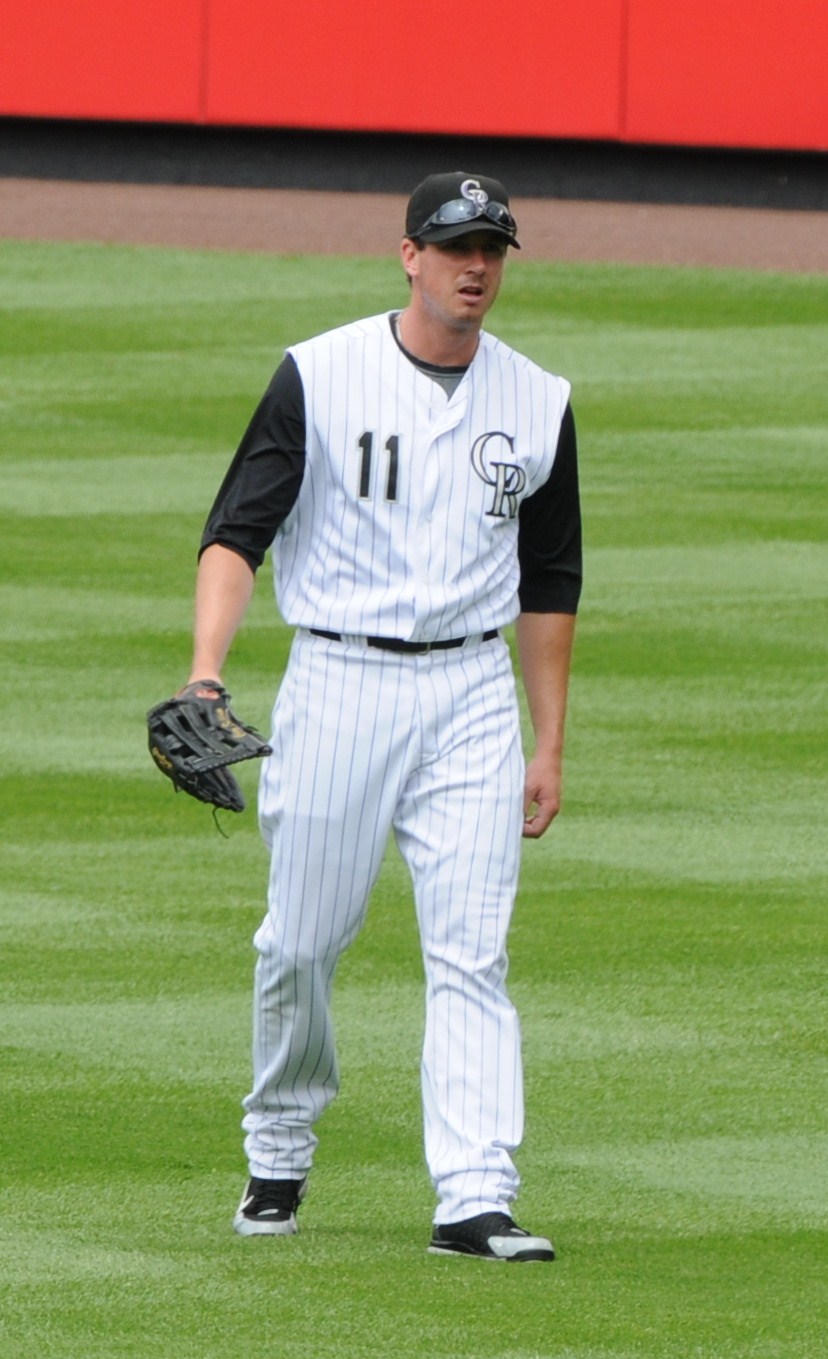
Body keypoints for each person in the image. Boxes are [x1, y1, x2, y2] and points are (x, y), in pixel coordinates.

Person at [186, 171, 582, 1262]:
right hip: (341, 680)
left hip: (470, 694)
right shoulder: (321, 375)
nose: (476, 267)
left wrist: (547, 739)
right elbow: (236, 536)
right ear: (408, 254)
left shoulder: (538, 400)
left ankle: (475, 1194)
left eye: (493, 249)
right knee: (303, 941)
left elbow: (550, 584)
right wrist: (205, 674)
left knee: (471, 949)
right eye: (457, 246)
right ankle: (279, 1146)